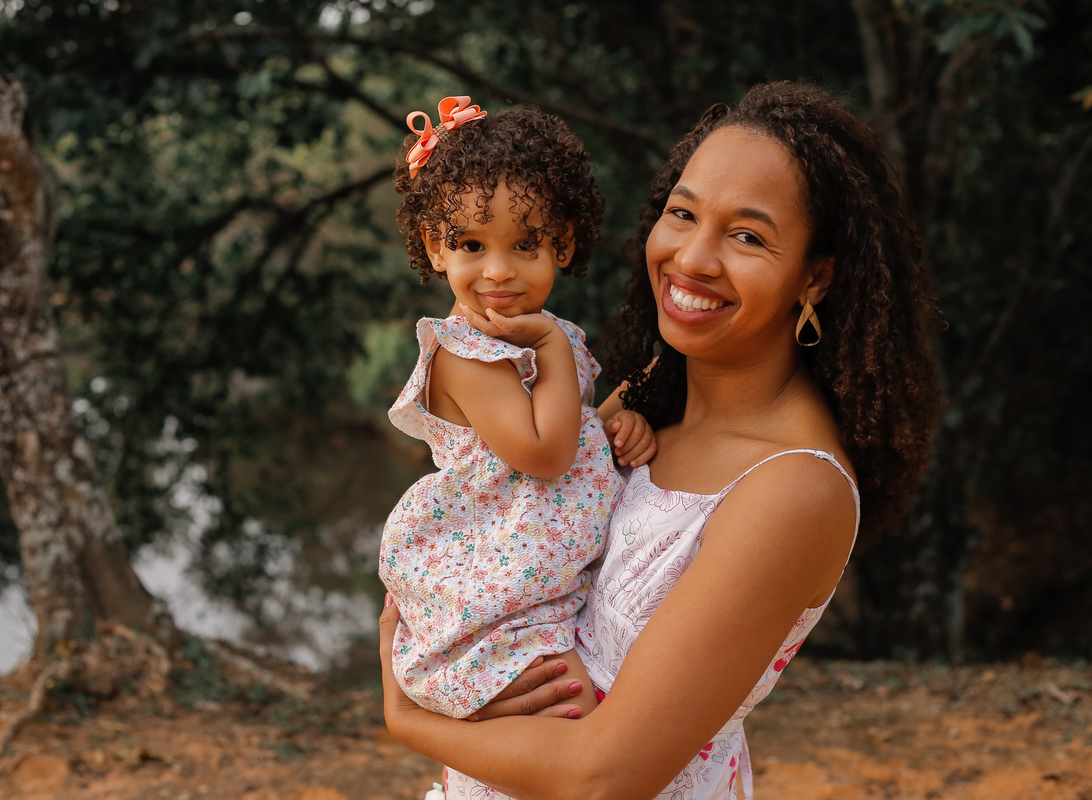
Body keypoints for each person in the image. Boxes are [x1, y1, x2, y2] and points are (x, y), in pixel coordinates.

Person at [379, 81, 941, 799]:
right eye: (683, 214)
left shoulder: (793, 488)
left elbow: (604, 776)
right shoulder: (649, 395)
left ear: (816, 275)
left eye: (747, 236)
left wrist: (406, 717)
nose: (693, 258)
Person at [380, 96, 657, 723]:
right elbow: (546, 453)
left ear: (561, 245)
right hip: (499, 595)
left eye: (525, 245)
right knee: (575, 717)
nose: (497, 272)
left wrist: (618, 417)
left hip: (552, 578)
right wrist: (552, 345)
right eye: (471, 245)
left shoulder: (536, 331)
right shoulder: (467, 353)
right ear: (436, 246)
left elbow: (576, 427)